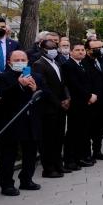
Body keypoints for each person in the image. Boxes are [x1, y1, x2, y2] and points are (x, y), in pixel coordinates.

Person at [0, 49, 43, 195]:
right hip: (12, 121)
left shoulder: (36, 77)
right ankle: (7, 184)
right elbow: (1, 98)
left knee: (30, 152)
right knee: (9, 153)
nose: (20, 62)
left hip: (31, 121)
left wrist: (35, 89)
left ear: (28, 61)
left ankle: (27, 179)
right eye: (17, 60)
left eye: (23, 60)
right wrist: (19, 85)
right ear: (9, 62)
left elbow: (44, 94)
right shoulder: (2, 77)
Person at [33, 38, 71, 176]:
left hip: (61, 107)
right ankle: (48, 168)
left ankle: (58, 164)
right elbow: (43, 87)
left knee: (59, 138)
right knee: (48, 139)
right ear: (43, 50)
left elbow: (63, 83)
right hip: (49, 108)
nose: (54, 50)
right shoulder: (39, 64)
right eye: (51, 48)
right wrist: (58, 102)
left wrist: (67, 98)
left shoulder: (57, 63)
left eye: (56, 47)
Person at [61, 43, 96, 169]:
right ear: (71, 52)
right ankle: (70, 160)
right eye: (77, 50)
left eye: (82, 50)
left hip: (85, 104)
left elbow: (89, 82)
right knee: (73, 132)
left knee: (83, 132)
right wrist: (88, 96)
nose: (81, 52)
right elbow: (74, 85)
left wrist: (92, 94)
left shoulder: (83, 64)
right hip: (76, 104)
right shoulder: (68, 65)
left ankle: (81, 157)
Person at [85, 39, 103, 160]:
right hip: (91, 102)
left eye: (101, 47)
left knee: (99, 129)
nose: (99, 50)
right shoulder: (84, 63)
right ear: (88, 50)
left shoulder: (101, 61)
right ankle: (87, 153)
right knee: (89, 129)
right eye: (96, 49)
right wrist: (89, 96)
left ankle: (97, 151)